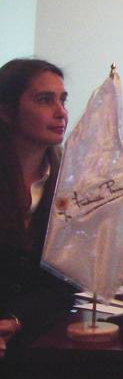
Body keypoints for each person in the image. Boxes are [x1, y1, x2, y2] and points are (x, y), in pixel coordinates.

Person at [0, 59, 75, 359]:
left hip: (35, 332)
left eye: (63, 100)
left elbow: (64, 280)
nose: (61, 112)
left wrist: (15, 321)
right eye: (45, 100)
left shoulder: (70, 182)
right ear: (6, 111)